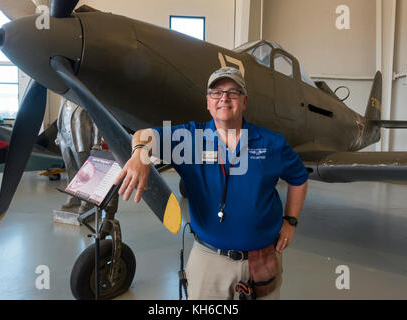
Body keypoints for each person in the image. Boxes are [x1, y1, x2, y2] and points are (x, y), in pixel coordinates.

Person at [114, 67, 308, 300]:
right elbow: (145, 134)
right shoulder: (189, 139)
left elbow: (299, 178)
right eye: (216, 93)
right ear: (208, 102)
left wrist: (291, 221)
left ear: (244, 101)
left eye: (233, 92)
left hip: (262, 258)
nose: (224, 98)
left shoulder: (272, 142)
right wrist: (139, 154)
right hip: (209, 259)